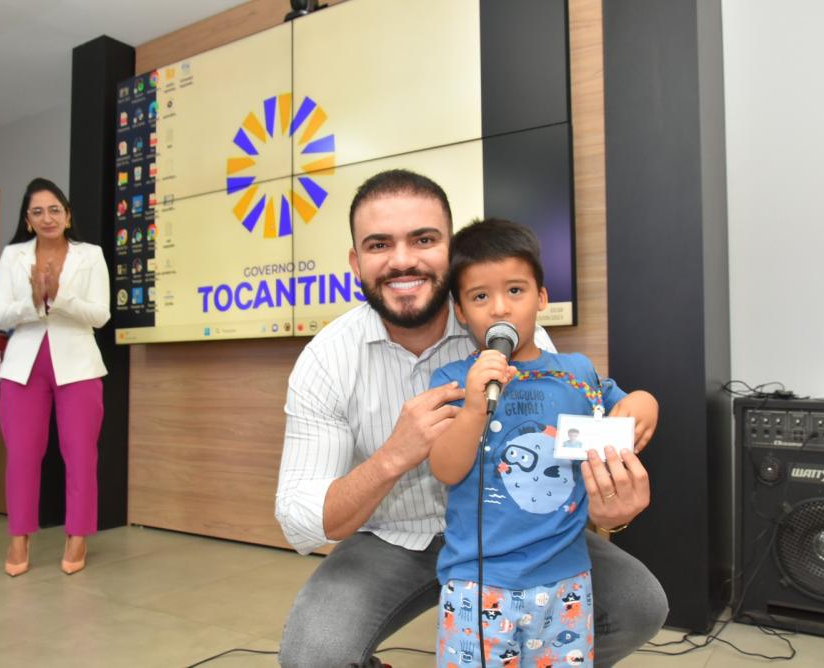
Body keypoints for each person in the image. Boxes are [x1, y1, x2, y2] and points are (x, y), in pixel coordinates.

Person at [276, 170, 666, 667]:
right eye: (379, 244)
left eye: (423, 239)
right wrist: (393, 457)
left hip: (522, 535)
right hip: (391, 540)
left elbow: (578, 437)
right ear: (356, 262)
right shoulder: (327, 359)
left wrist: (616, 510)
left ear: (450, 249)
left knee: (640, 605)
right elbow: (300, 523)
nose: (402, 260)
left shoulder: (516, 341)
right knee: (313, 658)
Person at [429, 217, 654, 666]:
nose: (499, 309)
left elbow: (627, 402)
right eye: (479, 296)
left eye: (515, 290)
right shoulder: (453, 381)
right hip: (478, 583)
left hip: (566, 578)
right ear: (460, 311)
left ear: (542, 298)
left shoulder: (575, 372)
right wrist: (475, 408)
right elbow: (446, 468)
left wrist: (646, 404)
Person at [0, 177, 110, 576]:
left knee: (80, 455)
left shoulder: (90, 255)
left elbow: (100, 315)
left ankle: (77, 535)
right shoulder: (13, 255)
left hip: (77, 364)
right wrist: (33, 300)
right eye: (37, 211)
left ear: (67, 214)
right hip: (23, 366)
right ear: (27, 220)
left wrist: (60, 295)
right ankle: (18, 536)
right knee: (22, 455)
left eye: (54, 209)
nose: (47, 217)